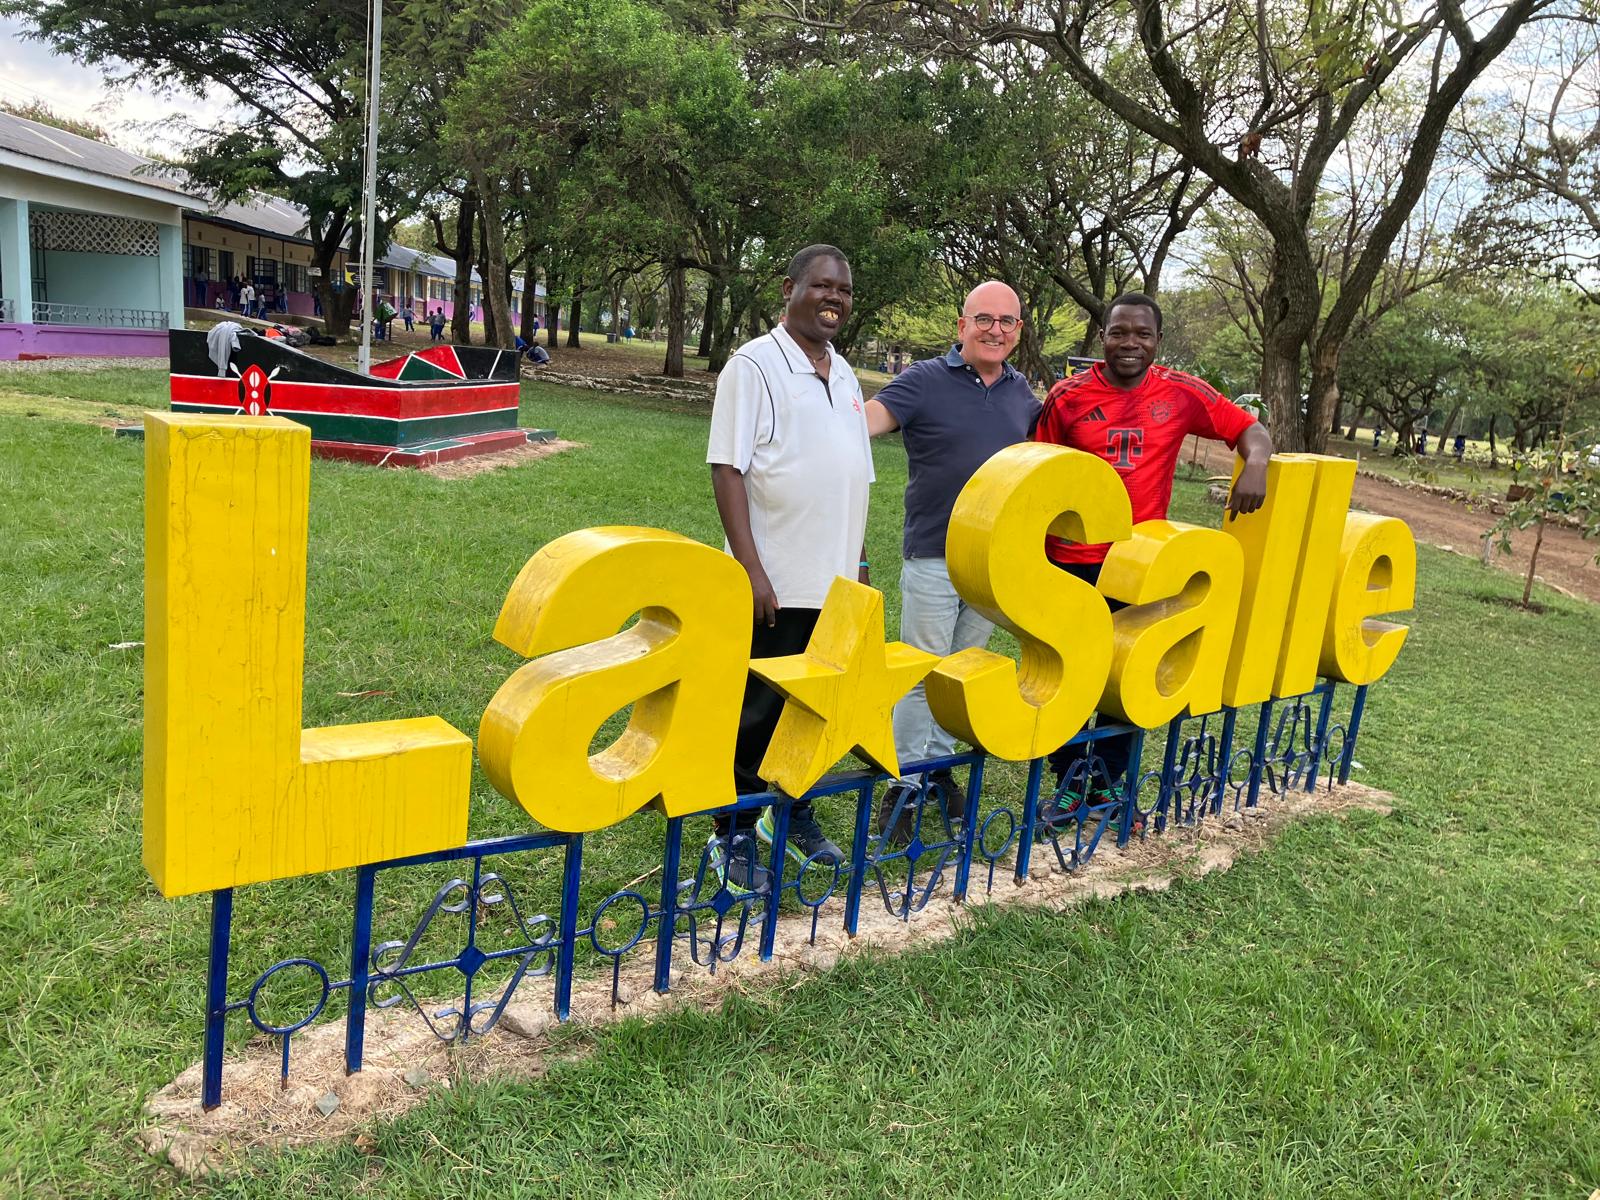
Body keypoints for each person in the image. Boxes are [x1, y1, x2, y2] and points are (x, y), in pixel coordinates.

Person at [1032, 292, 1272, 822]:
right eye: (1120, 332)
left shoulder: (1180, 392)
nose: (1130, 343)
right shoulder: (1068, 397)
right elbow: (1035, 472)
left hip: (1141, 560)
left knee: (1130, 673)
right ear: (1103, 337)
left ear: (1157, 341)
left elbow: (1247, 428)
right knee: (1073, 671)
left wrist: (1256, 463)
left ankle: (1105, 784)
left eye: (1142, 334)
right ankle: (1070, 784)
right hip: (1071, 556)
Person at [706, 244, 871, 890]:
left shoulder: (847, 373)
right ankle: (736, 830)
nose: (834, 299)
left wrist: (857, 561)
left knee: (810, 711)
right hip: (774, 582)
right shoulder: (754, 365)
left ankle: (794, 811)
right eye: (823, 287)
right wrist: (750, 566)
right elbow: (729, 467)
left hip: (832, 580)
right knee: (756, 710)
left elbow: (856, 474)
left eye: (845, 291)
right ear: (790, 289)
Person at [864, 281, 1040, 845]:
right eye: (983, 319)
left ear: (1019, 331)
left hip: (993, 560)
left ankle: (937, 770)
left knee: (962, 669)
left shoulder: (1024, 397)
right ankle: (904, 785)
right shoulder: (922, 381)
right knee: (922, 669)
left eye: (1007, 322)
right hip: (933, 552)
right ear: (960, 326)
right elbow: (866, 420)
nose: (995, 330)